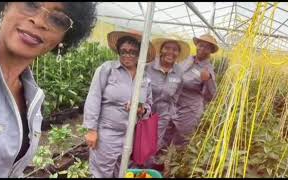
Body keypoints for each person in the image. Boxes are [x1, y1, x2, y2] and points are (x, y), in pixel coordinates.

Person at [0, 2, 97, 177]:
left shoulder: (31, 95)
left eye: (58, 20)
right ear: (5, 5)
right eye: (30, 4)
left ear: (64, 38)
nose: (39, 21)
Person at [83, 31, 155, 178]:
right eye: (124, 51)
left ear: (140, 54)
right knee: (101, 173)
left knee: (121, 171)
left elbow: (149, 105)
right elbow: (93, 98)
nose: (128, 55)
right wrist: (91, 129)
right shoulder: (107, 69)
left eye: (133, 52)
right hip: (107, 134)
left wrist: (141, 109)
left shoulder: (145, 77)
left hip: (130, 134)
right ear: (118, 51)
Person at [164, 34, 218, 149]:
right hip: (174, 105)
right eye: (200, 45)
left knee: (181, 141)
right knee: (165, 136)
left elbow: (212, 96)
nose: (202, 49)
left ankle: (177, 164)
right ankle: (158, 164)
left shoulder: (207, 70)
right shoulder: (187, 60)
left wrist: (208, 80)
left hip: (189, 110)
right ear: (196, 45)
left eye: (207, 47)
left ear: (211, 51)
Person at [145, 37, 190, 168]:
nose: (171, 52)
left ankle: (147, 169)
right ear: (161, 50)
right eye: (167, 48)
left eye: (175, 50)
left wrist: (171, 110)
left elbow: (178, 92)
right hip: (145, 110)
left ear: (178, 53)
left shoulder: (179, 72)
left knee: (155, 141)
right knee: (141, 139)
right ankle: (135, 165)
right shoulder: (149, 66)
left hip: (163, 112)